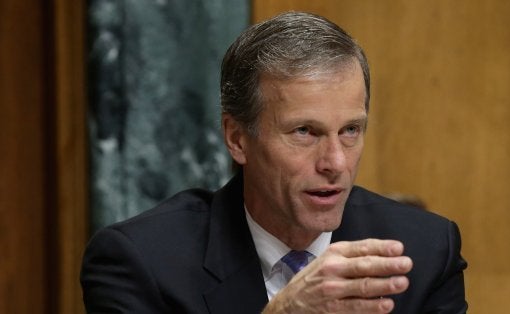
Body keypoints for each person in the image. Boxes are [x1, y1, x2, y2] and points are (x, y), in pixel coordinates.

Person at [81, 11, 467, 313]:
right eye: (304, 132)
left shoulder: (424, 250)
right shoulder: (143, 262)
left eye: (350, 130)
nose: (335, 162)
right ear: (237, 139)